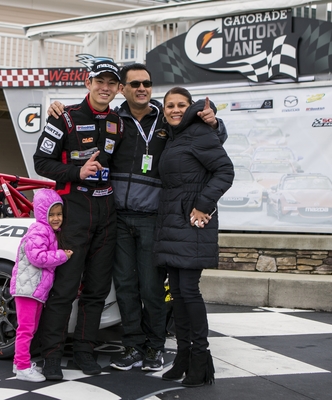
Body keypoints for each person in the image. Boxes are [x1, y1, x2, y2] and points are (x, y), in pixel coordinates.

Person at [47, 63, 226, 373]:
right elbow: (77, 131)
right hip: (116, 216)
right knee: (126, 287)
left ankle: (154, 346)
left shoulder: (168, 119)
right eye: (134, 84)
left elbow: (207, 138)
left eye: (147, 83)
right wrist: (58, 109)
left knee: (152, 288)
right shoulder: (115, 121)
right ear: (123, 89)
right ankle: (132, 345)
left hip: (154, 218)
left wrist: (215, 122)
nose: (141, 88)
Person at [33, 59, 123, 380]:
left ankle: (85, 351)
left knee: (96, 290)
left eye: (112, 83)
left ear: (118, 88)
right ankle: (52, 356)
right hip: (74, 211)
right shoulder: (66, 117)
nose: (105, 87)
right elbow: (40, 162)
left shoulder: (119, 121)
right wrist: (76, 171)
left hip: (106, 212)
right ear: (88, 83)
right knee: (65, 288)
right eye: (100, 81)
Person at [154, 87, 234, 387]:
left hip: (193, 222)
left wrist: (203, 204)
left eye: (181, 105)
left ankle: (201, 359)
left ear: (191, 107)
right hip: (173, 223)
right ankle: (183, 357)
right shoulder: (174, 137)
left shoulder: (199, 132)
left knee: (188, 291)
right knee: (176, 293)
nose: (175, 109)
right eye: (170, 105)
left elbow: (225, 171)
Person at [10, 188, 73, 382]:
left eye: (59, 214)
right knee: (26, 329)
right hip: (27, 290)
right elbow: (36, 257)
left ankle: (19, 363)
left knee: (31, 328)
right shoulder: (39, 230)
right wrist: (62, 255)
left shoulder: (48, 231)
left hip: (34, 290)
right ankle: (22, 367)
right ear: (41, 213)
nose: (56, 218)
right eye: (51, 214)